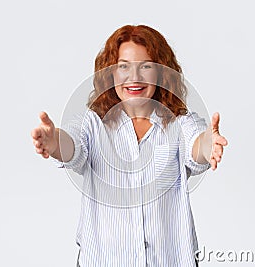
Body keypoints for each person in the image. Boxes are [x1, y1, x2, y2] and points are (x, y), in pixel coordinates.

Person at [31, 25, 228, 266]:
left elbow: (196, 147)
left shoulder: (181, 123)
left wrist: (208, 146)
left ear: (160, 73)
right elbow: (73, 147)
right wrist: (54, 142)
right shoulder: (92, 123)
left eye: (145, 66)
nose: (134, 77)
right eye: (123, 66)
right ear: (111, 73)